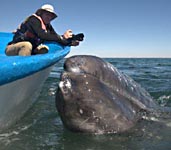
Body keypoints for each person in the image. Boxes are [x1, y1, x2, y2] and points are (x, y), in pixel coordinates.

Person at [5, 4, 84, 56]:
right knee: (26, 45)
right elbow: (42, 35)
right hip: (13, 49)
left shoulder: (48, 26)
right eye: (47, 14)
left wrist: (70, 42)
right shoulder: (33, 20)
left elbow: (55, 37)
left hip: (31, 50)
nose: (49, 17)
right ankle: (21, 74)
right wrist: (61, 37)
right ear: (41, 13)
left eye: (51, 16)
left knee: (44, 49)